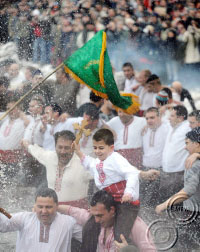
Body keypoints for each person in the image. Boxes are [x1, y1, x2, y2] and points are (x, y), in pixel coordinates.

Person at [74, 128, 159, 243]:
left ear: (111, 148)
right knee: (92, 225)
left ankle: (128, 249)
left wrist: (128, 192)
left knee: (120, 236)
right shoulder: (98, 161)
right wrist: (79, 152)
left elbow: (131, 173)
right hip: (109, 200)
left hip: (126, 203)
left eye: (101, 148)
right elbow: (90, 164)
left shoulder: (116, 158)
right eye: (95, 148)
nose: (98, 151)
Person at [59, 190, 156, 252]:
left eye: (100, 216)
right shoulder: (95, 219)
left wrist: (128, 250)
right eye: (94, 215)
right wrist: (53, 208)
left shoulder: (134, 225)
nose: (96, 220)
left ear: (112, 210)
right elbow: (74, 211)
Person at [156, 127, 200, 249]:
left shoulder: (194, 163)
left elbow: (188, 191)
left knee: (184, 246)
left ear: (196, 144)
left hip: (194, 213)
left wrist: (164, 205)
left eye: (187, 143)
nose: (185, 147)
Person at [22, 130, 90, 209]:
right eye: (60, 147)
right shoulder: (50, 157)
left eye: (67, 148)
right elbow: (37, 152)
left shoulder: (84, 163)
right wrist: (26, 144)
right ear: (55, 146)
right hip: (53, 212)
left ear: (74, 147)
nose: (63, 151)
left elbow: (102, 170)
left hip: (77, 212)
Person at [0, 187, 82, 252]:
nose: (44, 211)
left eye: (48, 207)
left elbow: (89, 237)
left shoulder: (68, 222)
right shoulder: (24, 218)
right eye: (40, 207)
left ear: (57, 206)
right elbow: (4, 224)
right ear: (35, 206)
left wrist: (71, 210)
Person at [160, 105, 191, 201]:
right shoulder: (172, 126)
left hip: (179, 174)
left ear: (181, 118)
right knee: (165, 201)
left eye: (172, 116)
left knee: (176, 204)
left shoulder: (188, 128)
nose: (169, 118)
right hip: (166, 172)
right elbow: (159, 120)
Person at [141, 107, 170, 207]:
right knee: (142, 196)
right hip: (145, 167)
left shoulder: (167, 129)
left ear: (159, 117)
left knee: (151, 199)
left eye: (152, 118)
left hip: (159, 168)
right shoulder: (144, 129)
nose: (149, 121)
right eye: (147, 118)